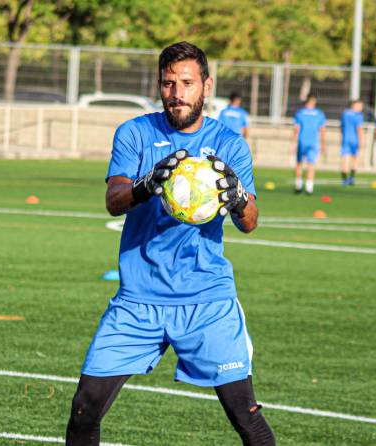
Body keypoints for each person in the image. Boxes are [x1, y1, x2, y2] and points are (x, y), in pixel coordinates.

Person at [65, 41, 276, 446]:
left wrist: (235, 199)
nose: (177, 93)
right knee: (84, 409)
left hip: (206, 299)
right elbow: (114, 201)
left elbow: (249, 222)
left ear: (206, 85)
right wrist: (146, 186)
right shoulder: (135, 133)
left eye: (187, 83)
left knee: (244, 414)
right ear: (158, 85)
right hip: (138, 299)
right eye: (168, 83)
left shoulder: (230, 143)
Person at [292, 95, 326, 194]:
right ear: (314, 102)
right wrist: (323, 143)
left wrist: (294, 143)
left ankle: (298, 186)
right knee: (311, 164)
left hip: (302, 141)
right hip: (313, 142)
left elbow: (296, 129)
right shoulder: (319, 114)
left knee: (299, 163)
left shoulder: (300, 113)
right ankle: (309, 188)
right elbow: (322, 129)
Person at [340, 100, 365, 186]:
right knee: (354, 159)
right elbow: (359, 128)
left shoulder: (345, 114)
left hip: (345, 139)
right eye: (360, 105)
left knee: (345, 159)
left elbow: (342, 126)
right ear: (354, 105)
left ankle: (344, 180)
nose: (361, 108)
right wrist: (361, 141)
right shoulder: (358, 115)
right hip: (355, 139)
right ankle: (351, 178)